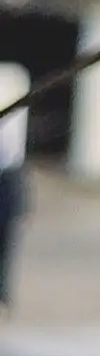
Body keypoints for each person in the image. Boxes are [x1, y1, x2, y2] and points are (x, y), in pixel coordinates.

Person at [0, 63, 26, 311]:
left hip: (7, 181)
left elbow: (8, 150)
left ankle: (3, 294)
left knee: (6, 242)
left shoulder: (9, 81)